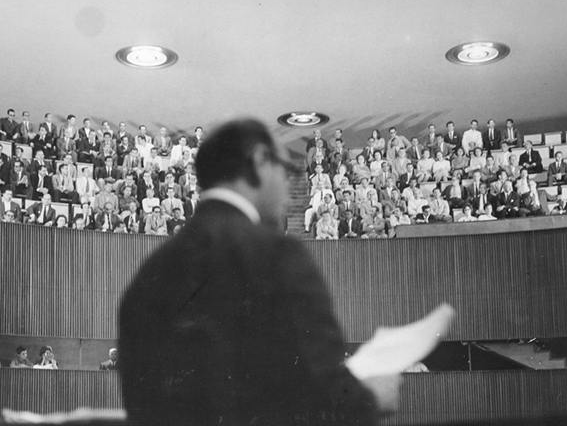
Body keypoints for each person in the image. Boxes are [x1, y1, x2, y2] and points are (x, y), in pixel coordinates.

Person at [119, 118, 398, 426]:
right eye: (286, 170)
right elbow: (326, 393)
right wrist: (373, 396)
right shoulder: (278, 255)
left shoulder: (150, 273)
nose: (289, 186)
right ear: (260, 160)